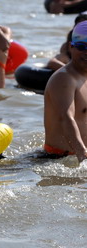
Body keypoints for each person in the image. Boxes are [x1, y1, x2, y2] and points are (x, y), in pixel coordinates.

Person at [43, 21, 87, 163]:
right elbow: (66, 117)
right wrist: (82, 155)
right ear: (71, 47)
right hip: (57, 159)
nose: (86, 52)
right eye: (81, 46)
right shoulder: (64, 78)